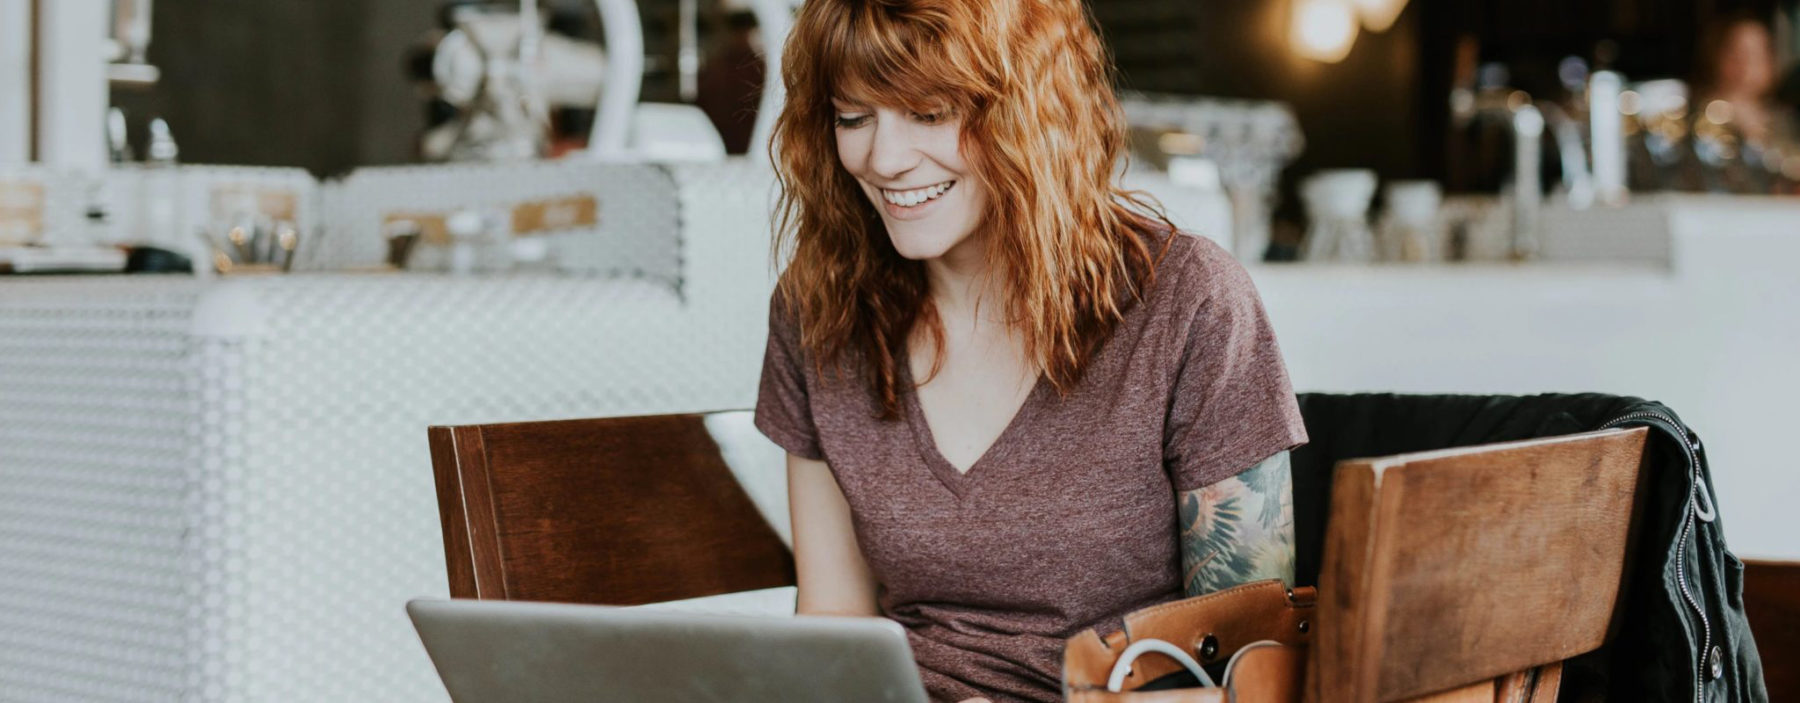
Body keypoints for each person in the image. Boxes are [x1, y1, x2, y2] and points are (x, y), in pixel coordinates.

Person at [753, 1, 1309, 701]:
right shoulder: (818, 313)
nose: (884, 159)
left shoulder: (1188, 301)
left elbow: (1254, 671)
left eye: (929, 113)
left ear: (1029, 109)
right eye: (853, 117)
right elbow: (832, 632)